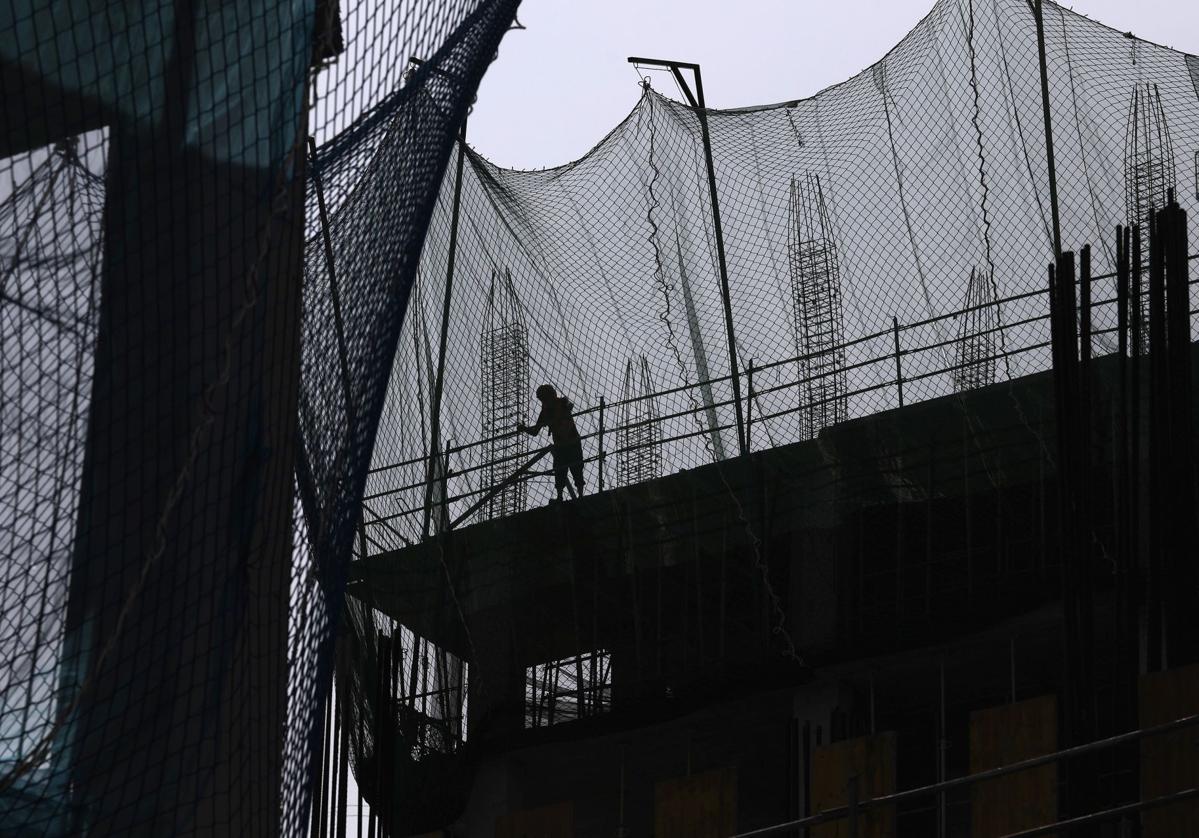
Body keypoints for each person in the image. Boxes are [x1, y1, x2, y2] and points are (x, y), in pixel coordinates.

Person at [518, 384, 585, 502]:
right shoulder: (545, 412)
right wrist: (524, 428)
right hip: (562, 444)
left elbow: (569, 405)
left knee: (576, 468)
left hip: (571, 442)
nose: (544, 401)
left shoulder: (561, 403)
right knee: (560, 470)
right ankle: (561, 496)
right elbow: (535, 431)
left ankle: (580, 494)